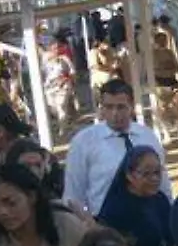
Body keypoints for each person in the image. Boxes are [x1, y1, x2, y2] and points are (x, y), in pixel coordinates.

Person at [65, 79, 171, 216]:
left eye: (121, 107)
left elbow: (162, 181)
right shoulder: (84, 142)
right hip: (103, 221)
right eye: (108, 107)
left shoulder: (147, 136)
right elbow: (73, 193)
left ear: (131, 106)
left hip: (149, 218)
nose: (114, 113)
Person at [96, 145, 172, 246]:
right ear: (129, 175)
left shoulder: (160, 199)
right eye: (146, 174)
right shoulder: (115, 210)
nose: (154, 178)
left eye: (157, 172)